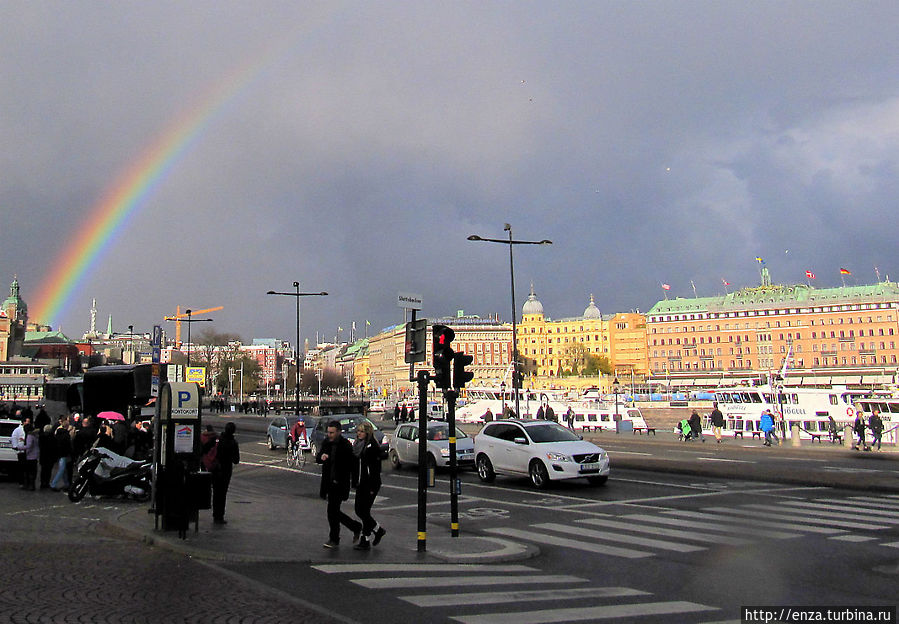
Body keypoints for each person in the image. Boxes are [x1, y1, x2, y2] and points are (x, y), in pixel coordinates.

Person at [317, 420, 361, 548]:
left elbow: (353, 465)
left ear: (339, 432)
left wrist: (354, 482)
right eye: (328, 432)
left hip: (340, 484)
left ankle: (334, 538)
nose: (329, 435)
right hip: (328, 483)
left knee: (332, 511)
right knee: (333, 512)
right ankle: (355, 527)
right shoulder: (326, 443)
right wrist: (322, 457)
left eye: (332, 432)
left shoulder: (345, 446)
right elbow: (319, 457)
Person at [352, 421, 386, 550]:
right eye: (358, 431)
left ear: (367, 432)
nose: (359, 434)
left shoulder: (372, 447)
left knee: (363, 511)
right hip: (361, 482)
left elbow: (375, 470)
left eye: (361, 431)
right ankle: (377, 530)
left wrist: (372, 486)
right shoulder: (358, 445)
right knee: (360, 510)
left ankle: (366, 539)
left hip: (370, 483)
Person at [211, 422, 240, 524]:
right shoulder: (233, 443)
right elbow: (236, 460)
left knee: (216, 492)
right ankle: (220, 516)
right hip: (226, 470)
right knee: (222, 493)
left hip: (215, 469)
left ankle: (215, 514)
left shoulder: (218, 440)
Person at [50, 416, 73, 492]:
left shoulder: (58, 433)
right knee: (62, 469)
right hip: (64, 453)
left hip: (58, 453)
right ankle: (53, 484)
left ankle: (66, 484)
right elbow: (68, 445)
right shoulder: (66, 435)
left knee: (64, 470)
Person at [11, 414, 30, 487]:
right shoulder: (18, 430)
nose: (28, 423)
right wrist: (16, 447)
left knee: (26, 467)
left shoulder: (28, 429)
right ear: (23, 422)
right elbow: (14, 438)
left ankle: (25, 481)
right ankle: (21, 482)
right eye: (27, 421)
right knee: (21, 468)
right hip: (21, 451)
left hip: (26, 451)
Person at [38, 424, 58, 489]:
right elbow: (55, 447)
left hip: (43, 455)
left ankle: (42, 483)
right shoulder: (53, 437)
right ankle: (46, 483)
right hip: (50, 456)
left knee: (43, 470)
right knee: (48, 471)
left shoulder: (41, 437)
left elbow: (40, 446)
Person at [23, 423, 39, 490]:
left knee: (28, 471)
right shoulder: (35, 435)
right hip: (35, 456)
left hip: (30, 456)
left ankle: (28, 485)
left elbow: (28, 446)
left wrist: (19, 447)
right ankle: (32, 485)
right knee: (33, 471)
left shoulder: (29, 436)